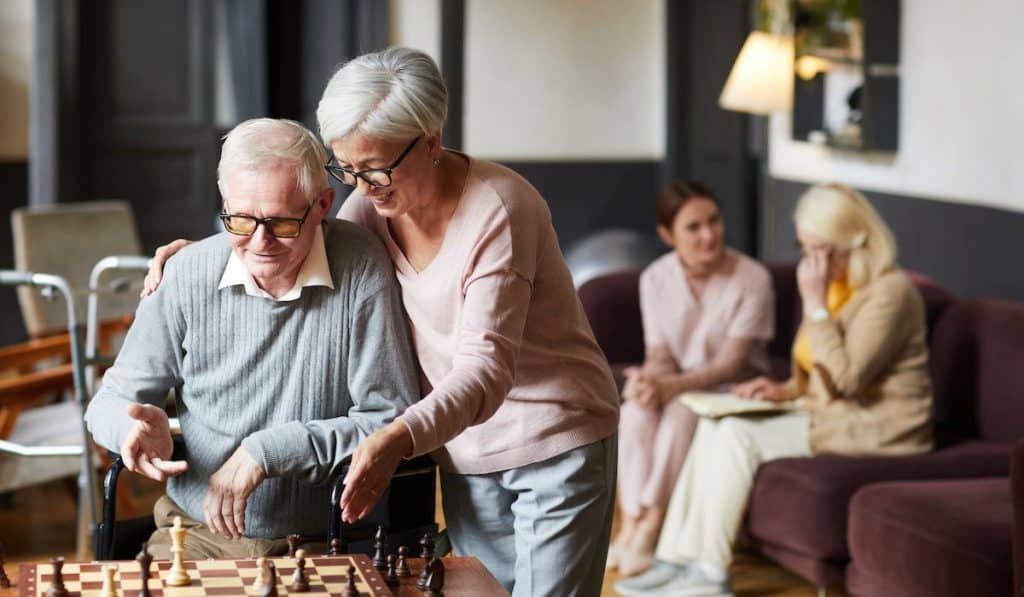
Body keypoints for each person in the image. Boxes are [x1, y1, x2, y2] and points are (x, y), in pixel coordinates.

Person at [142, 47, 619, 595]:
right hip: (463, 445)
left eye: (377, 168)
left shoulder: (500, 211)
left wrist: (395, 437)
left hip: (553, 439)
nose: (362, 187)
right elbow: (293, 247)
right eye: (347, 169)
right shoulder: (371, 209)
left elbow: (485, 370)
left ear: (432, 141)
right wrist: (197, 259)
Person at [86, 118, 419, 559]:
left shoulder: (361, 267)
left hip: (328, 539)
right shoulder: (185, 274)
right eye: (240, 220)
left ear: (322, 205)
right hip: (196, 535)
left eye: (282, 223)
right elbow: (106, 404)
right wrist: (131, 430)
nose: (260, 242)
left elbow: (389, 420)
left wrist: (269, 451)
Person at [615, 182, 934, 596]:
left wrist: (815, 305)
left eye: (817, 248)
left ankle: (710, 574)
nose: (811, 262)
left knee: (735, 434)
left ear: (848, 243)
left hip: (878, 427)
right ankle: (676, 560)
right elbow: (816, 370)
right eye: (806, 250)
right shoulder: (838, 287)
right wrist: (785, 390)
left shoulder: (890, 293)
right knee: (716, 425)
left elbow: (847, 380)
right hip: (830, 412)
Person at [611, 180, 774, 575]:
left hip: (734, 389)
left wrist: (667, 387)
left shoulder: (752, 278)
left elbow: (731, 365)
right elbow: (660, 356)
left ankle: (651, 524)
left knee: (681, 414)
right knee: (633, 412)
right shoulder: (655, 279)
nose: (709, 234)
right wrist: (648, 384)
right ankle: (629, 524)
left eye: (714, 221)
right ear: (667, 235)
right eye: (694, 227)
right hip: (681, 385)